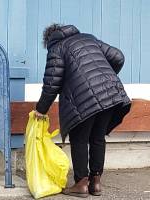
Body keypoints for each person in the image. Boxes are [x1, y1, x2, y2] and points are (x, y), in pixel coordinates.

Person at [35, 24, 131, 198]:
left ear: (49, 39)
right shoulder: (89, 38)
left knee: (79, 138)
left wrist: (41, 110)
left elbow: (52, 83)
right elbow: (118, 57)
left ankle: (81, 184)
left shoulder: (57, 48)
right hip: (110, 93)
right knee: (97, 137)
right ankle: (95, 182)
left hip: (82, 98)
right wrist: (102, 78)